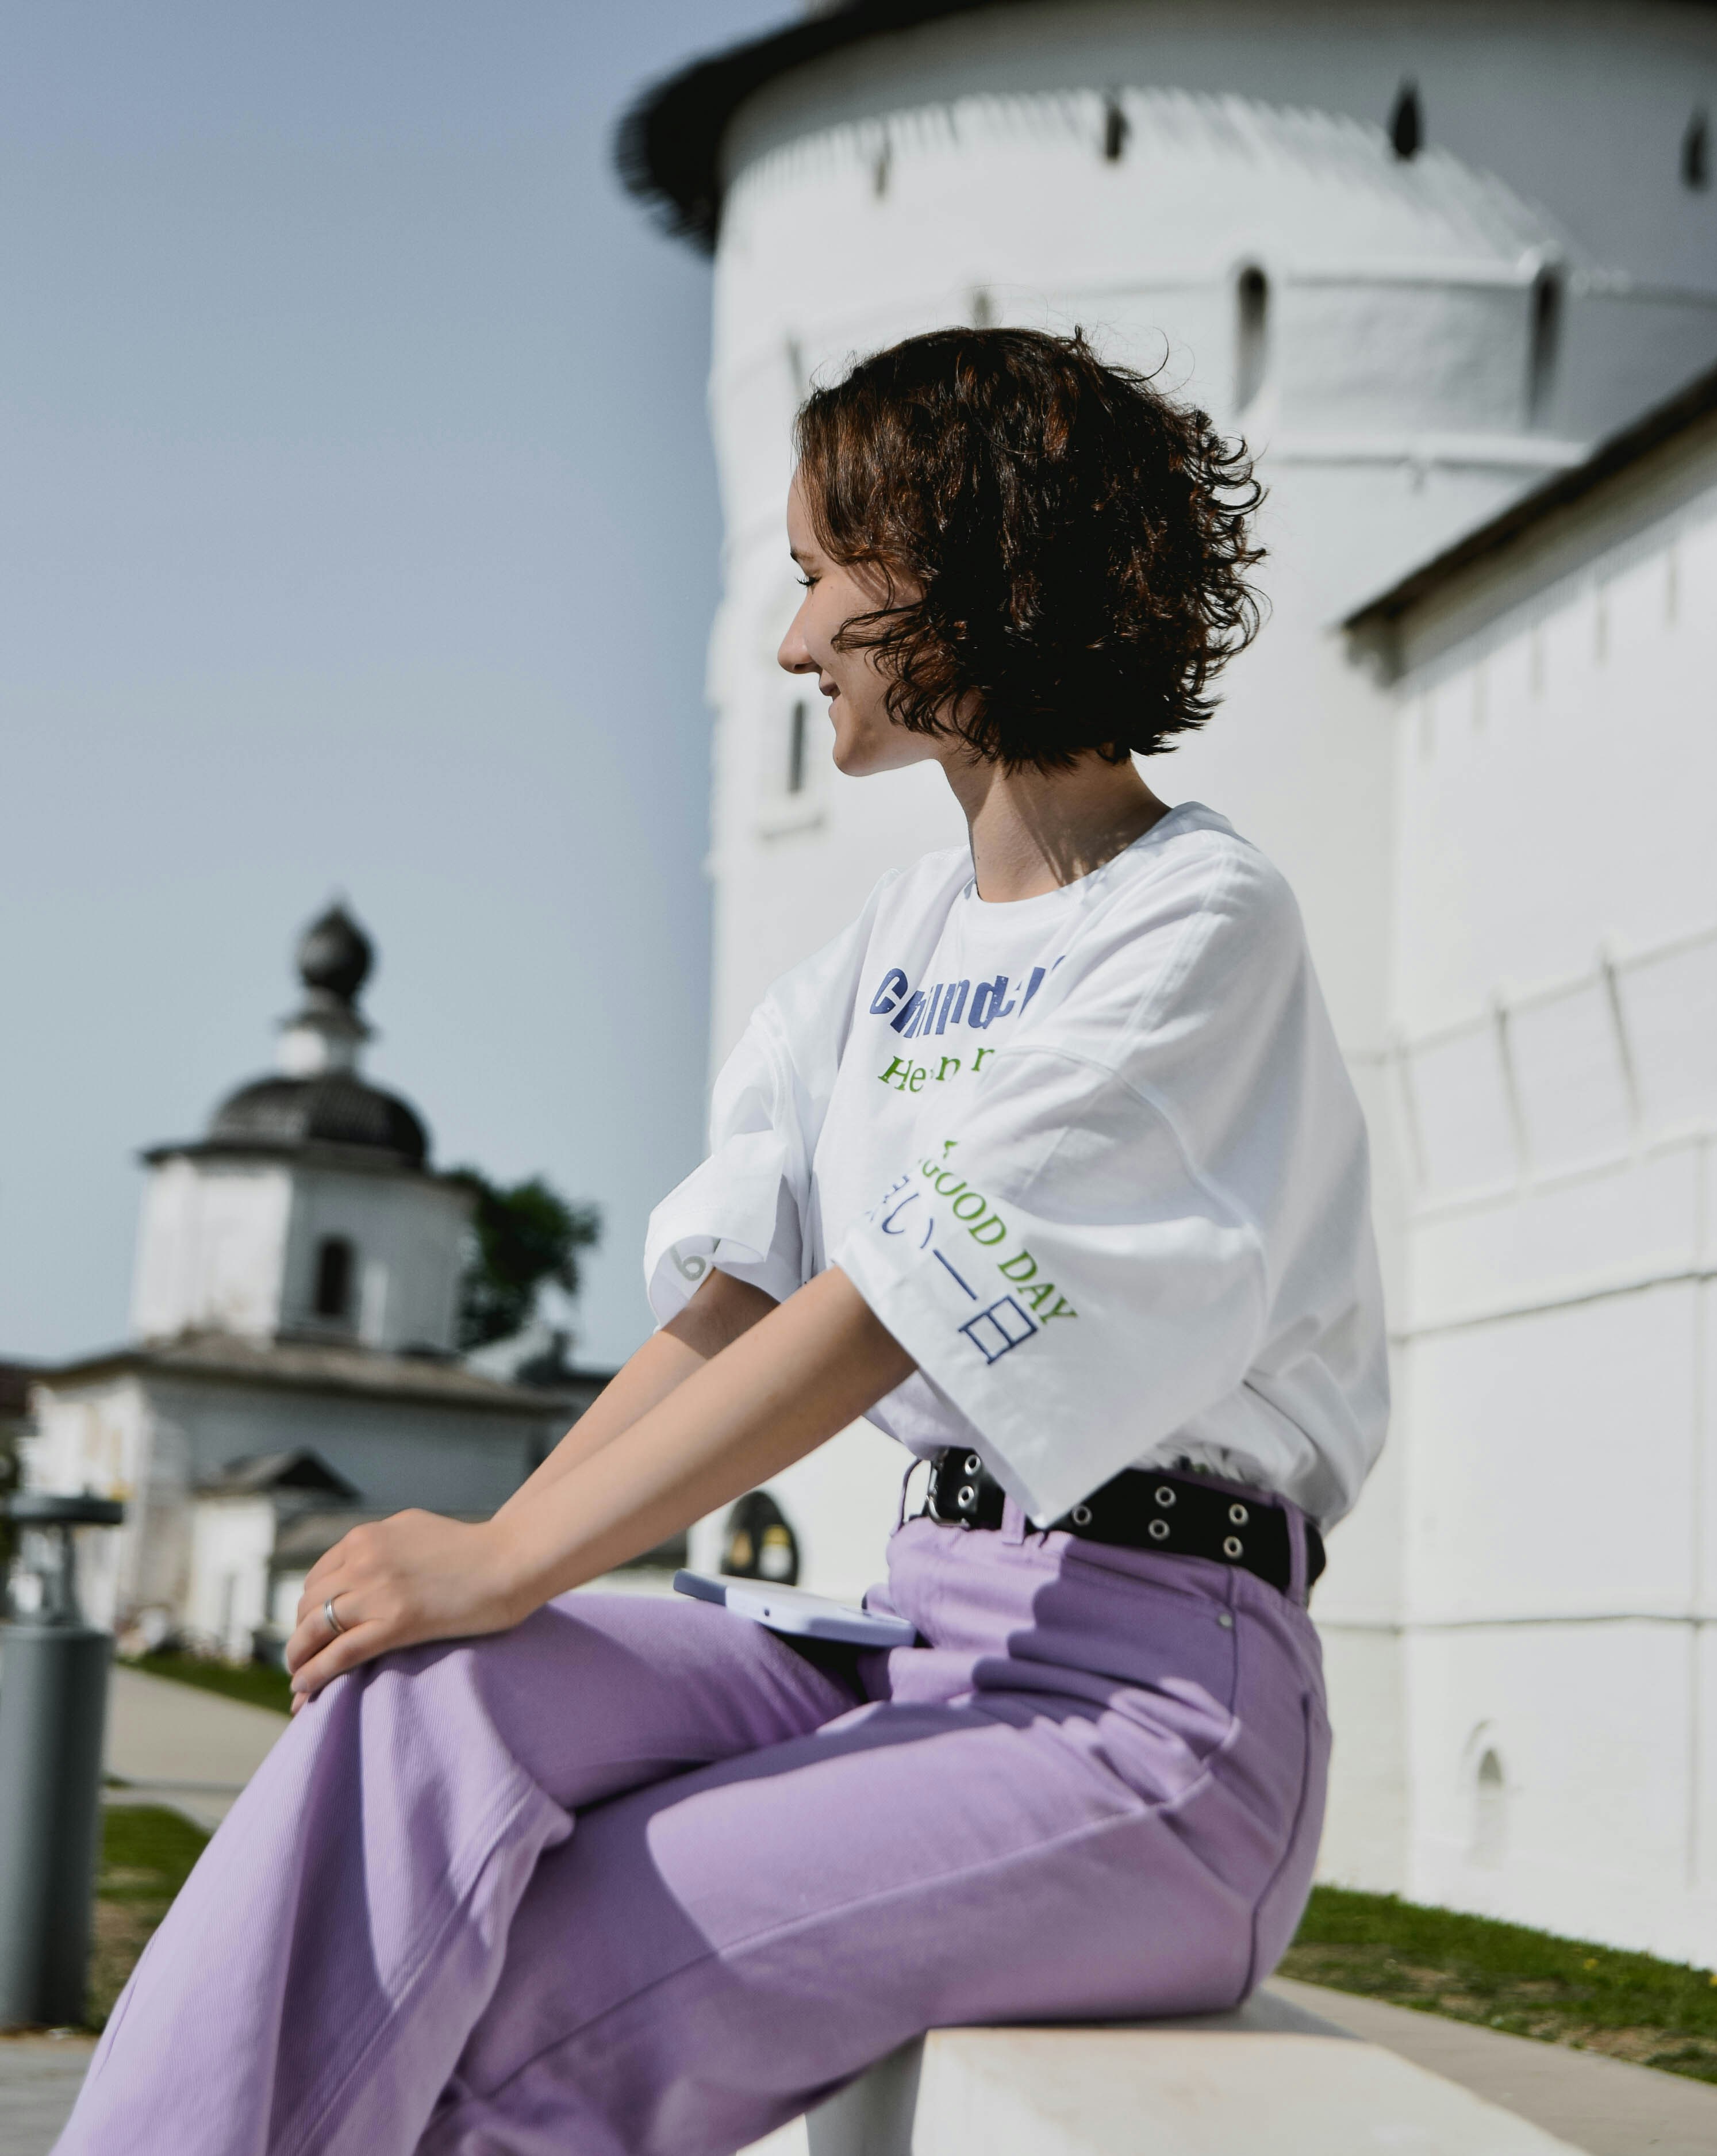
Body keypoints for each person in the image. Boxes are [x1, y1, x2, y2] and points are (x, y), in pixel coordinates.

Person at [57, 328, 1387, 2156]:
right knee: (421, 1691)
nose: (788, 642)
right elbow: (733, 1303)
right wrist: (479, 1567)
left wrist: (518, 1548)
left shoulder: (1197, 922)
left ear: (951, 575)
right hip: (910, 1636)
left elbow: (884, 1315)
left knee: (534, 2021)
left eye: (819, 579)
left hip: (1149, 1708)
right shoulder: (886, 945)